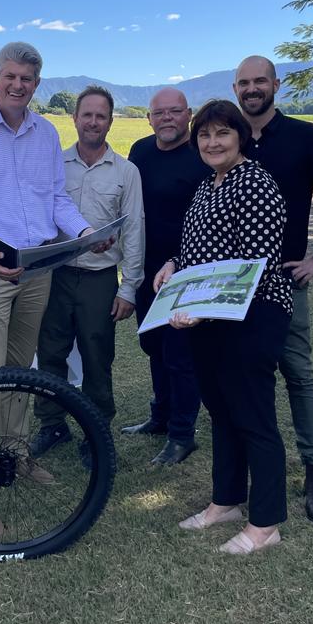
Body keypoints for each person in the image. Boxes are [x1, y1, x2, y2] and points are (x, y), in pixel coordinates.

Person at [0, 42, 107, 538]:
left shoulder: (46, 132)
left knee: (21, 371)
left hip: (37, 267)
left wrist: (83, 233)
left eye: (27, 79)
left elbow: (55, 200)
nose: (18, 85)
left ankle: (14, 452)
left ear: (37, 83)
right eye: (10, 76)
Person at [156, 99, 292, 555]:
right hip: (208, 317)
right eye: (204, 135)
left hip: (252, 316)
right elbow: (197, 247)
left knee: (253, 415)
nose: (212, 143)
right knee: (222, 410)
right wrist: (174, 266)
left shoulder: (253, 183)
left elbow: (255, 265)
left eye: (222, 133)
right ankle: (226, 501)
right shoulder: (208, 185)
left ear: (241, 137)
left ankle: (266, 523)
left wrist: (205, 309)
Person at [233, 55, 313, 524]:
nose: (253, 89)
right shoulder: (227, 136)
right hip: (231, 281)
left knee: (297, 371)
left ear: (276, 84)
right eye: (244, 83)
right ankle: (244, 467)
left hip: (284, 278)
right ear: (235, 88)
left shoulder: (306, 137)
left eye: (260, 81)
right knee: (239, 371)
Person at [32, 86, 144, 467]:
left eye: (101, 116)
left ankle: (97, 433)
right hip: (56, 274)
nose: (93, 122)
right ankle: (51, 424)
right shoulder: (54, 165)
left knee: (98, 357)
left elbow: (134, 231)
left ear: (110, 122)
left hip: (99, 279)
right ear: (74, 118)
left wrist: (129, 287)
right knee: (50, 353)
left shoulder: (126, 172)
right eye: (87, 115)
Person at [120, 88, 209, 464]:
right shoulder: (139, 152)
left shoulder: (203, 155)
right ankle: (160, 415)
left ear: (188, 114)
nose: (167, 118)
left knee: (179, 353)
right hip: (145, 267)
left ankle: (182, 433)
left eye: (175, 112)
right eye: (160, 113)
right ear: (149, 118)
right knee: (153, 345)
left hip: (186, 270)